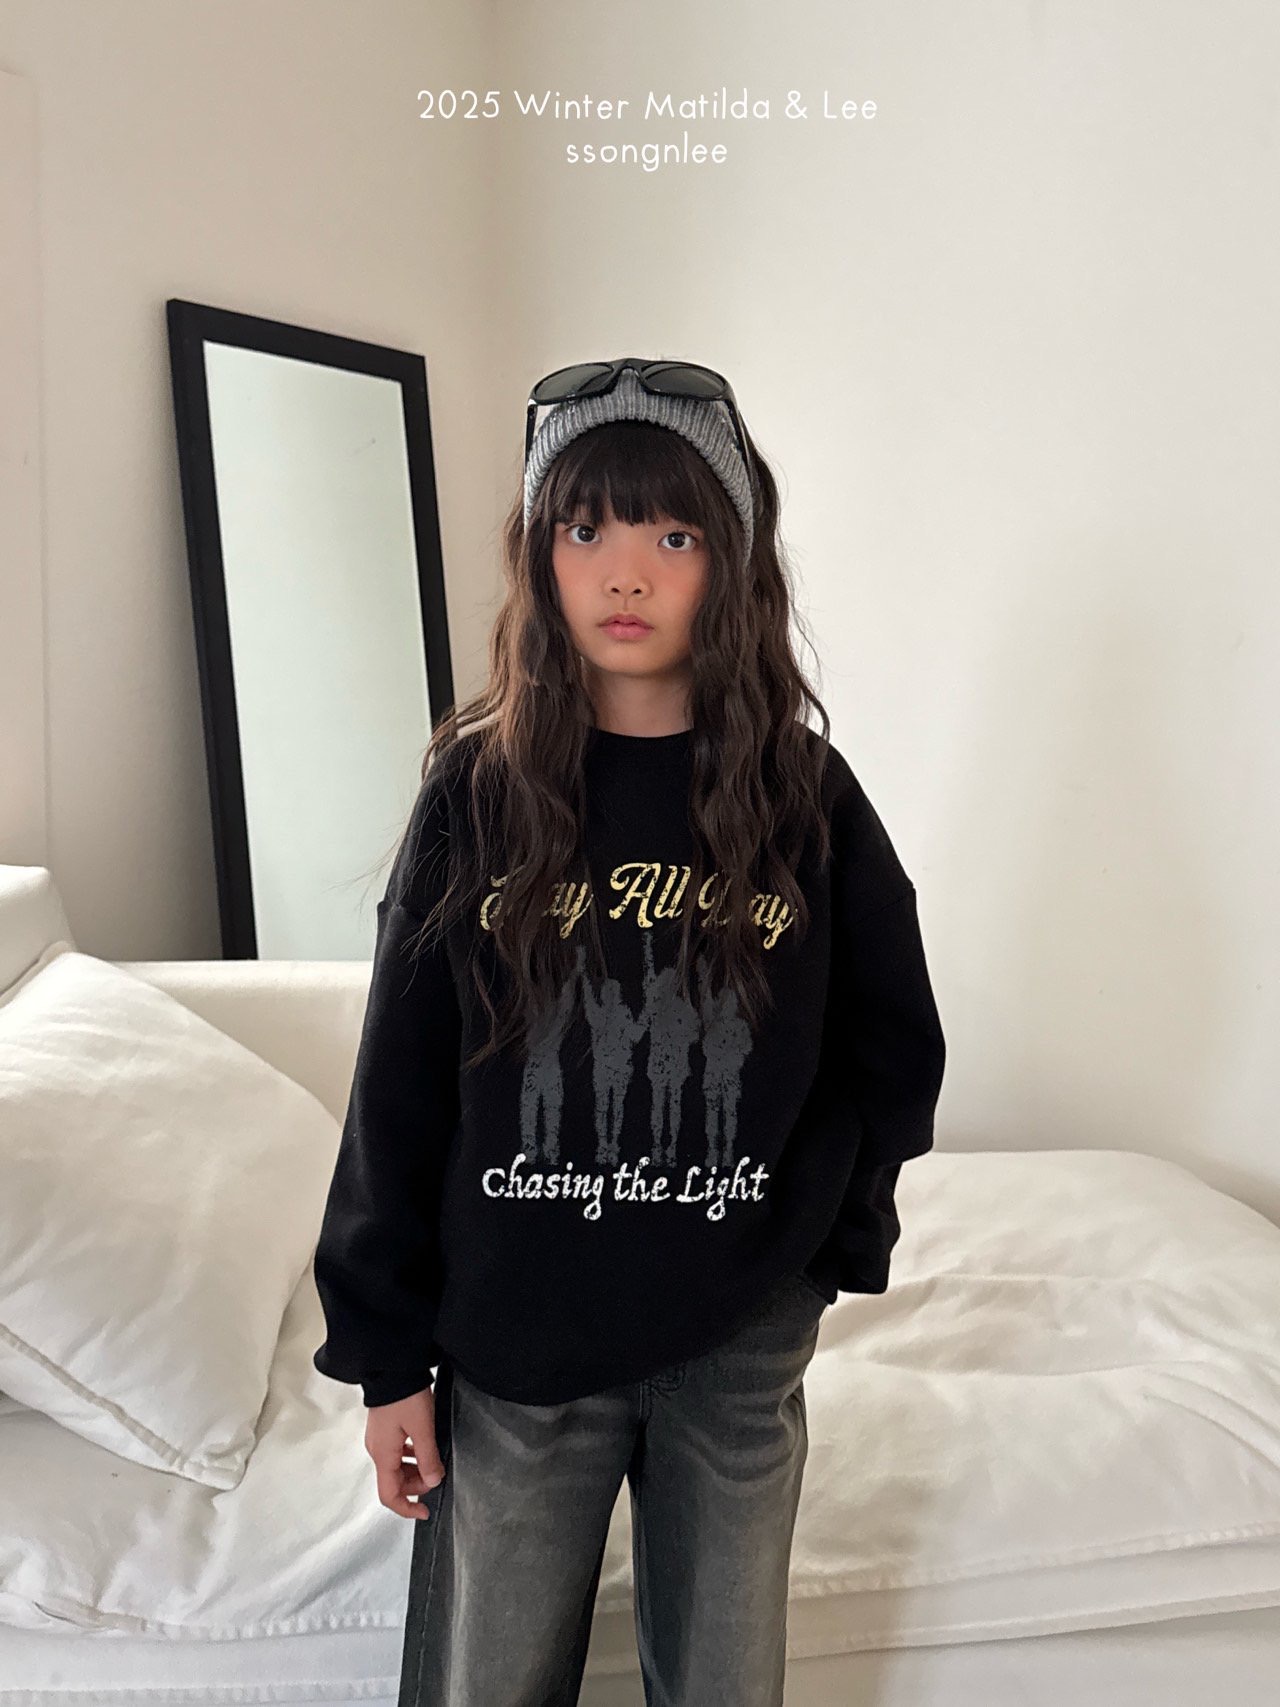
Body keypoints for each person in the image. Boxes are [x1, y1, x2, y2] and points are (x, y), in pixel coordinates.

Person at [311, 356, 947, 1706]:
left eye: (674, 536)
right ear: (537, 554)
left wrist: (828, 1251)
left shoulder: (806, 798)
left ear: (733, 565)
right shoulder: (477, 795)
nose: (624, 573)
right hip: (517, 1343)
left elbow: (893, 1045)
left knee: (725, 1685)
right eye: (585, 527)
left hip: (739, 1342)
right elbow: (398, 1089)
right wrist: (385, 1358)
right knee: (489, 1682)